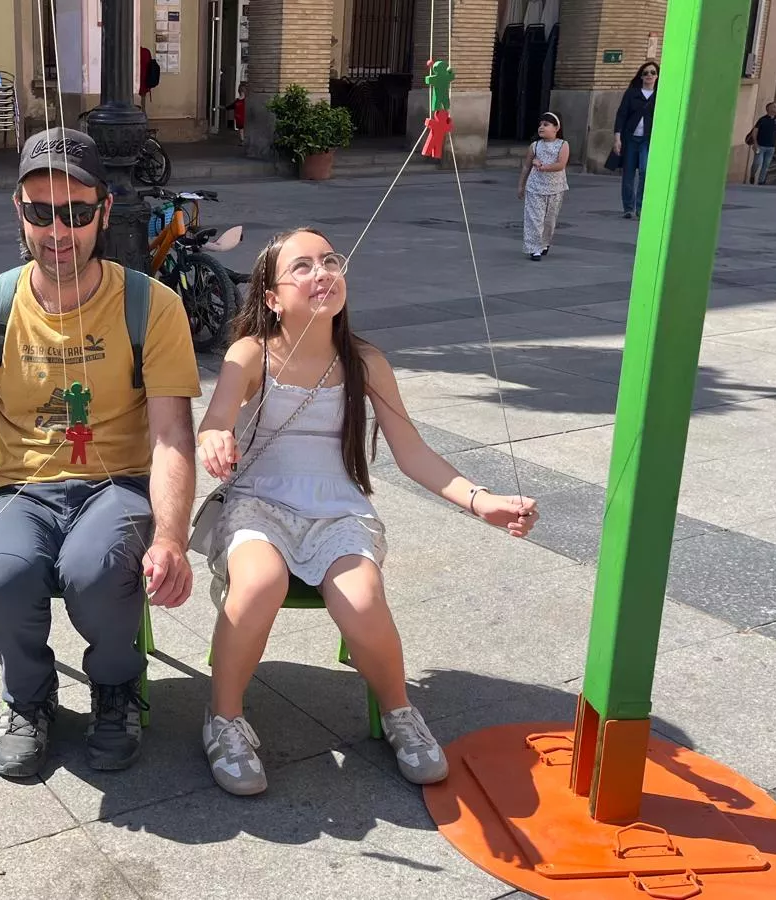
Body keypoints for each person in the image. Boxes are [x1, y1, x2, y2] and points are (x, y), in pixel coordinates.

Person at [194, 227, 539, 796]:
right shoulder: (251, 352)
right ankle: (224, 718)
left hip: (338, 509)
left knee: (361, 597)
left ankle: (399, 710)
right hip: (258, 503)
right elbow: (216, 417)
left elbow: (412, 452)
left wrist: (482, 501)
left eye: (330, 261)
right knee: (258, 583)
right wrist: (214, 437)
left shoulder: (366, 361)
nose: (322, 272)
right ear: (272, 297)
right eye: (302, 266)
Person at [0, 126, 200, 778]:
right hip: (22, 488)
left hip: (117, 483)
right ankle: (29, 697)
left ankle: (116, 688)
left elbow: (172, 436)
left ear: (104, 210)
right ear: (18, 210)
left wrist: (172, 539)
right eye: (40, 212)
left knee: (95, 569)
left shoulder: (151, 307)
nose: (57, 231)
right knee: (2, 574)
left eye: (76, 212)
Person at [518, 113, 569, 261]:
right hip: (535, 187)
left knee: (549, 220)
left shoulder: (563, 145)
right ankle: (534, 248)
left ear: (556, 128)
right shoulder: (535, 146)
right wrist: (521, 185)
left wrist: (543, 167)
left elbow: (561, 164)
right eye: (540, 125)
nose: (541, 127)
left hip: (555, 188)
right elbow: (526, 167)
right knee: (534, 219)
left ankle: (544, 243)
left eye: (546, 125)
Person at [612, 61, 656, 219]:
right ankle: (628, 208)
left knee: (645, 171)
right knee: (628, 173)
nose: (649, 75)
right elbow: (621, 115)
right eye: (645, 73)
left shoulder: (660, 95)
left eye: (653, 72)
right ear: (641, 76)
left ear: (657, 76)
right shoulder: (632, 93)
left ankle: (641, 207)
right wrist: (617, 138)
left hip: (647, 139)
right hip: (630, 138)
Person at [746, 101, 776, 185]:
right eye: (774, 107)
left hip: (771, 147)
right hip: (760, 146)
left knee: (766, 165)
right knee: (757, 163)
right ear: (768, 109)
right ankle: (752, 175)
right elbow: (755, 132)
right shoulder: (762, 120)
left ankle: (761, 181)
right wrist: (755, 143)